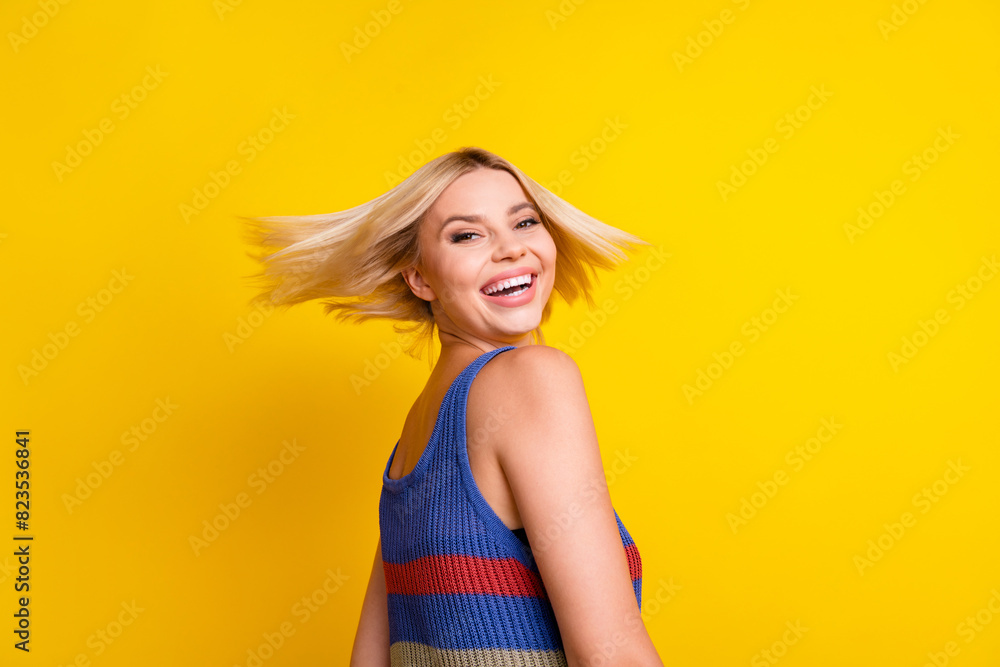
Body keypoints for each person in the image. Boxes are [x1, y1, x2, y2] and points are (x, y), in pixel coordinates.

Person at [242, 147, 663, 666]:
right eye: (467, 235)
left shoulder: (420, 429)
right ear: (418, 278)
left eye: (524, 222)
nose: (511, 250)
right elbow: (610, 654)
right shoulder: (532, 379)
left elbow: (371, 658)